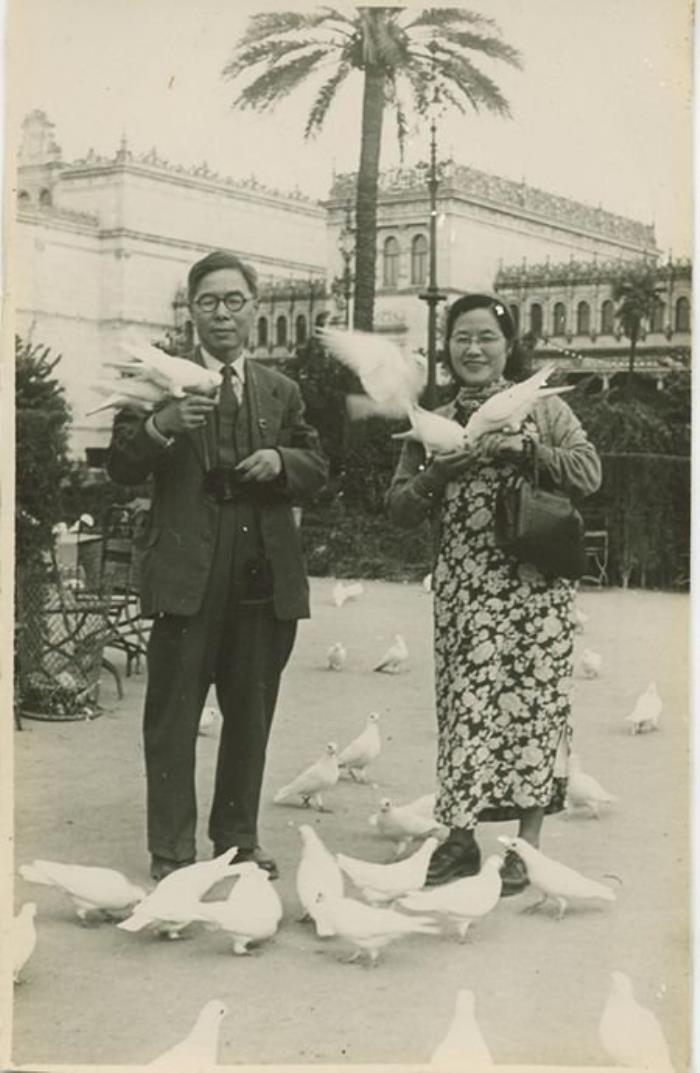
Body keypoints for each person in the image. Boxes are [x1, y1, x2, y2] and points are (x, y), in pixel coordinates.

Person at [107, 250, 328, 881]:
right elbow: (121, 465)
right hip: (186, 571)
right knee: (173, 716)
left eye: (234, 301)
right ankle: (172, 851)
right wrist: (162, 423)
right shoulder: (156, 381)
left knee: (250, 715)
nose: (222, 313)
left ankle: (237, 841)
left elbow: (318, 467)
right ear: (192, 312)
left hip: (262, 572)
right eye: (209, 302)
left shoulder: (281, 390)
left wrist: (282, 461)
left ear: (255, 309)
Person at [387, 292, 601, 892]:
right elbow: (398, 507)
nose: (474, 349)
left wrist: (526, 450)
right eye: (462, 338)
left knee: (534, 711)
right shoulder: (433, 421)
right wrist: (436, 475)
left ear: (508, 347)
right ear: (447, 348)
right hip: (464, 594)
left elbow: (589, 472)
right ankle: (459, 841)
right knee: (466, 711)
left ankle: (524, 851)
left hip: (537, 593)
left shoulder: (543, 409)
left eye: (486, 337)